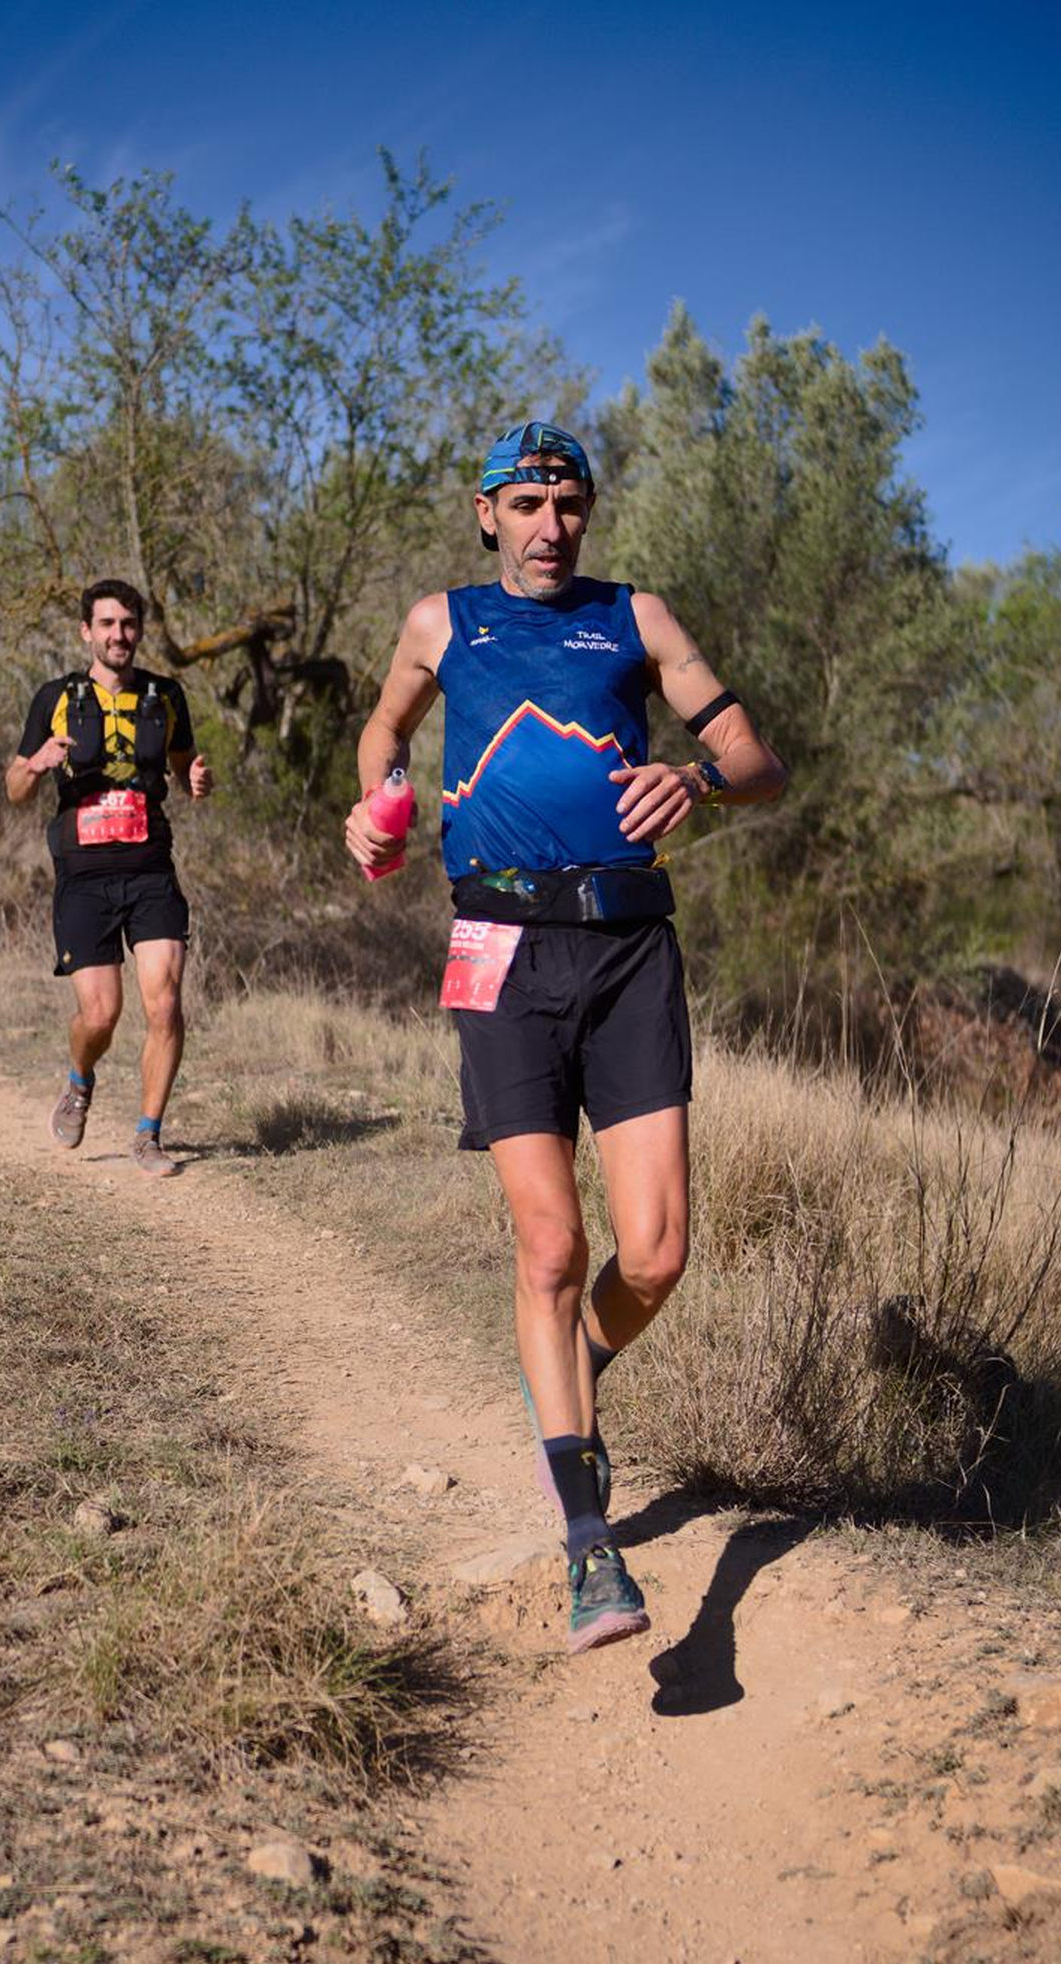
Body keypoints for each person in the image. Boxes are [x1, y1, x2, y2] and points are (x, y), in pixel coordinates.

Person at [346, 420, 787, 1655]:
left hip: (629, 949)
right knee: (550, 1245)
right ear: (485, 511)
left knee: (655, 1253)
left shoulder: (634, 617)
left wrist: (697, 780)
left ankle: (568, 1374)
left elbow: (756, 757)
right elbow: (384, 733)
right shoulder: (441, 623)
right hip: (498, 950)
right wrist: (376, 804)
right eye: (528, 503)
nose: (552, 526)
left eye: (570, 503)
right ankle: (591, 1542)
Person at [8, 578, 213, 1178]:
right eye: (107, 624)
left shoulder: (165, 695)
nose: (119, 634)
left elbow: (185, 769)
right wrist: (36, 764)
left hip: (150, 868)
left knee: (165, 1003)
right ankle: (79, 1080)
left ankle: (148, 1134)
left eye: (128, 624)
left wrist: (198, 781)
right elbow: (15, 788)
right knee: (100, 1014)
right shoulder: (55, 697)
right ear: (86, 632)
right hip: (84, 875)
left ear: (139, 630)